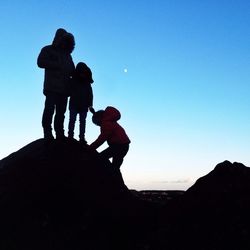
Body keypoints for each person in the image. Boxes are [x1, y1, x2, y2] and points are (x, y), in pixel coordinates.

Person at [37, 28, 75, 140]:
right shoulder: (48, 49)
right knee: (49, 110)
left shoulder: (67, 55)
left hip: (64, 89)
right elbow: (40, 62)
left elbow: (72, 69)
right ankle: (47, 133)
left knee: (61, 113)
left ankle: (60, 133)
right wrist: (57, 65)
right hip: (52, 87)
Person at [68, 62, 94, 143]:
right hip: (76, 104)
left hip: (82, 105)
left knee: (80, 121)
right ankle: (71, 136)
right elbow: (68, 90)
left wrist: (90, 105)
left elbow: (90, 95)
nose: (82, 74)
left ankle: (80, 137)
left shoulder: (86, 83)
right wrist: (90, 105)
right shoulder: (74, 80)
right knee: (75, 120)